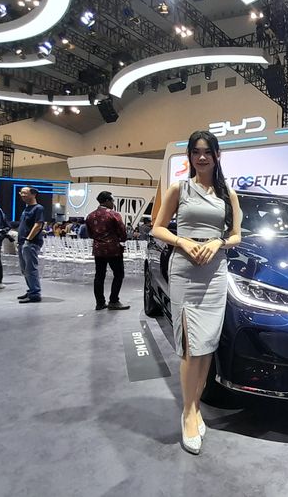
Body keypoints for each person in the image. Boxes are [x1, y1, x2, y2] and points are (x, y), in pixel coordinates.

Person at [152, 130, 242, 455]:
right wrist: (183, 241)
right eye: (195, 152)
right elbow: (157, 227)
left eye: (207, 151)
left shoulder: (227, 194)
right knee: (191, 347)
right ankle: (188, 413)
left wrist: (218, 242)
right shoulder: (179, 188)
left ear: (217, 155)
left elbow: (236, 235)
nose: (201, 157)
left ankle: (195, 407)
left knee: (205, 347)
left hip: (215, 273)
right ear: (189, 156)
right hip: (186, 271)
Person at [85, 191, 130, 311]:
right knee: (118, 274)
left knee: (99, 276)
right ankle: (113, 301)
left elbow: (90, 234)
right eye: (112, 201)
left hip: (98, 250)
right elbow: (122, 231)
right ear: (107, 201)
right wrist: (121, 240)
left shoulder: (90, 216)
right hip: (113, 249)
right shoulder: (114, 215)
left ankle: (100, 303)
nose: (113, 203)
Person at [17, 187, 45, 303]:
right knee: (25, 269)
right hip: (22, 242)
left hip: (30, 243)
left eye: (25, 193)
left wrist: (28, 239)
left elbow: (38, 225)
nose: (22, 195)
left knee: (30, 269)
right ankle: (31, 290)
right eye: (21, 193)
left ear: (33, 194)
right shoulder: (26, 208)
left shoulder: (38, 208)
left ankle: (35, 293)